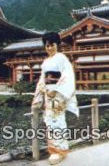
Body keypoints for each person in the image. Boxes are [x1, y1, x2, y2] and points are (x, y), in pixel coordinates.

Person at [32, 32, 79, 165]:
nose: (49, 48)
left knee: (58, 122)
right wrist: (42, 90)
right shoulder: (45, 62)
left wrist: (56, 89)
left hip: (58, 95)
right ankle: (54, 150)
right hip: (48, 94)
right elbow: (42, 79)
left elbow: (67, 76)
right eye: (47, 45)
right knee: (49, 123)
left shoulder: (62, 58)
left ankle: (59, 151)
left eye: (52, 45)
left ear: (57, 44)